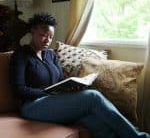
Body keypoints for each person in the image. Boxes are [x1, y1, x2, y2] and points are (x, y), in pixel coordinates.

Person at [9, 12, 150, 138]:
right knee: (93, 97)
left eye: (51, 37)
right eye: (43, 35)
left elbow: (60, 80)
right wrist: (47, 93)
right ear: (32, 31)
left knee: (96, 122)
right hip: (32, 106)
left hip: (54, 100)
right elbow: (19, 89)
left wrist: (71, 86)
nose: (47, 40)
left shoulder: (51, 55)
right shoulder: (21, 55)